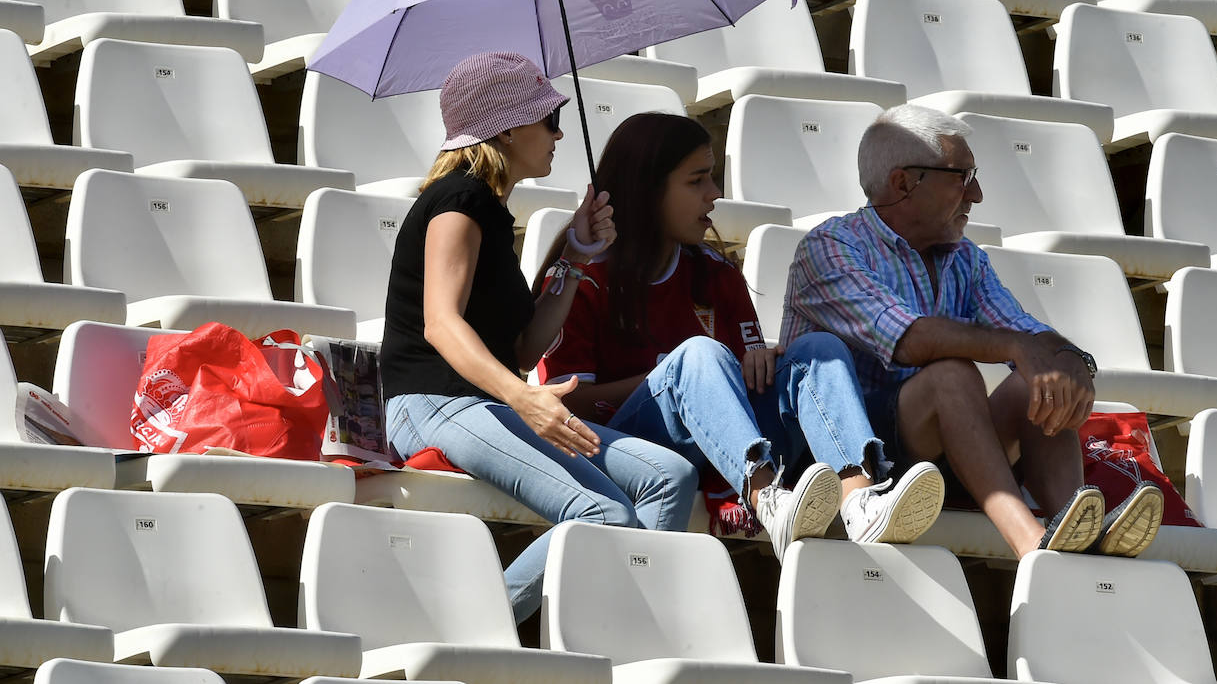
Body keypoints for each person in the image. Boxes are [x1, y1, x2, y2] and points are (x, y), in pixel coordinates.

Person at [536, 112, 945, 560]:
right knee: (697, 356)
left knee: (818, 351)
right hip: (622, 446)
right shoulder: (583, 276)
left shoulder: (717, 274)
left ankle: (860, 501)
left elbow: (743, 379)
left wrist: (758, 365)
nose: (714, 195)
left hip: (723, 442)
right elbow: (565, 402)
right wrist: (672, 375)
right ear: (647, 190)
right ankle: (767, 499)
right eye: (697, 181)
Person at [381, 53, 698, 623]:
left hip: (477, 403)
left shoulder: (493, 213)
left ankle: (616, 635)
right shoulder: (459, 199)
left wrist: (577, 253)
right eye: (548, 118)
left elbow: (525, 348)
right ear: (506, 126)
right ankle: (472, 638)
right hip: (434, 403)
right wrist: (523, 397)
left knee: (668, 477)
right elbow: (440, 323)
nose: (558, 132)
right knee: (603, 517)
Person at [781, 104, 1163, 559]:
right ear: (904, 183)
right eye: (961, 176)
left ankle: (1075, 527)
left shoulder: (964, 258)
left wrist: (1070, 362)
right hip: (849, 456)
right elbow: (909, 339)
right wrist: (1021, 347)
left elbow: (1026, 332)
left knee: (1035, 382)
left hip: (934, 441)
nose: (977, 194)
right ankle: (1030, 541)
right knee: (952, 375)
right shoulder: (830, 247)